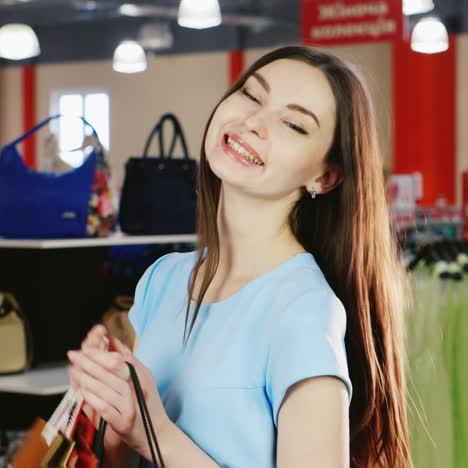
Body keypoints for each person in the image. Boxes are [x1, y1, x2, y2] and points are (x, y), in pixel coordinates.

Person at [67, 45, 413, 467]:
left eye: (292, 124)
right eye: (252, 95)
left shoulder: (304, 310)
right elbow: (128, 456)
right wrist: (107, 407)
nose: (253, 123)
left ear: (325, 176)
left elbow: (153, 436)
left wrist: (154, 431)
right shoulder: (163, 279)